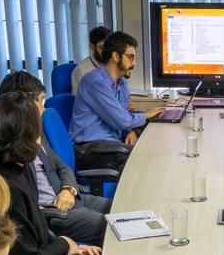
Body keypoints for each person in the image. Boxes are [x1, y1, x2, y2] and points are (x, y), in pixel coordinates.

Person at [0, 92, 102, 255]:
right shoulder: (8, 190)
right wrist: (64, 244)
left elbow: (37, 236)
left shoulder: (16, 169)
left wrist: (64, 245)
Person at [0, 70, 112, 244]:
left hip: (71, 198)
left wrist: (68, 189)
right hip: (53, 214)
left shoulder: (36, 127)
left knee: (121, 209)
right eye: (41, 101)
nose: (44, 108)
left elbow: (62, 166)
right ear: (23, 104)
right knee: (112, 228)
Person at [69, 31, 165, 169]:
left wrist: (130, 130)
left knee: (154, 131)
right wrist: (146, 114)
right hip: (89, 148)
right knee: (143, 156)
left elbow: (123, 114)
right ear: (116, 56)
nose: (135, 63)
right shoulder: (95, 82)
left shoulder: (122, 82)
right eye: (130, 57)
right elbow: (121, 120)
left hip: (111, 141)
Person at [71, 25, 112, 92]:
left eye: (109, 47)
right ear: (92, 47)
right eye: (102, 48)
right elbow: (79, 99)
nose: (107, 52)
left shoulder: (112, 65)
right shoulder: (82, 71)